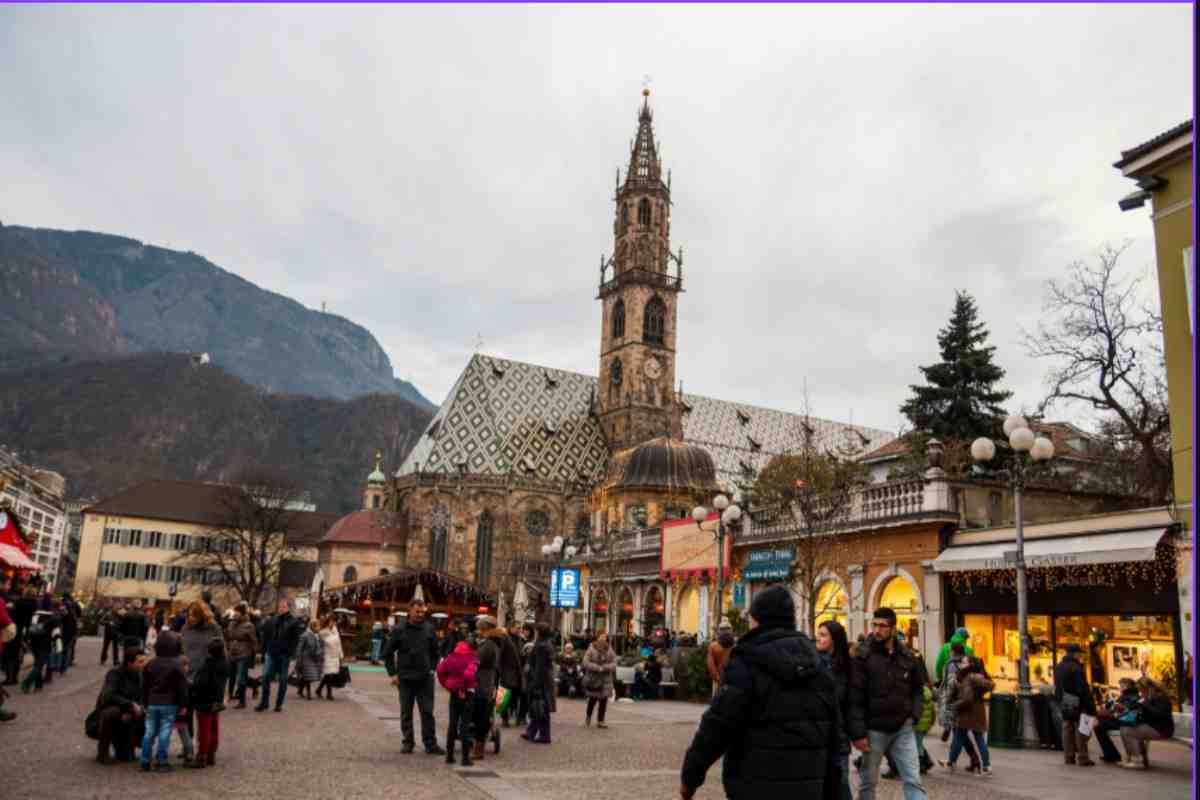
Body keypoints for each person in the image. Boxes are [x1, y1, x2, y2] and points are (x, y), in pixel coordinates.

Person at [679, 585, 842, 799]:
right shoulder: (817, 665)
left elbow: (716, 727)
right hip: (808, 788)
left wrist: (690, 778)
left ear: (757, 620)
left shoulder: (746, 663)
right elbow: (834, 737)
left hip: (754, 785)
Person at [849, 607, 928, 800]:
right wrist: (858, 733)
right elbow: (855, 696)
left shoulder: (907, 655)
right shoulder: (863, 656)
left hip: (903, 728)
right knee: (868, 783)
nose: (877, 630)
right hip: (874, 729)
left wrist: (914, 715)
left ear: (893, 628)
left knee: (913, 780)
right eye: (874, 625)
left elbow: (918, 689)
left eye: (882, 626)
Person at [381, 601, 445, 755]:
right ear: (409, 611)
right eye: (417, 611)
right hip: (405, 678)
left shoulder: (429, 628)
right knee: (406, 712)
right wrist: (393, 673)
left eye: (422, 612)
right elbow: (387, 653)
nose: (420, 614)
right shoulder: (399, 629)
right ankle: (408, 742)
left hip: (425, 678)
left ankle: (430, 743)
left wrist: (432, 669)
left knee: (428, 712)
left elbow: (436, 652)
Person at [816, 619, 853, 800]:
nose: (818, 639)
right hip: (817, 736)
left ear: (835, 639)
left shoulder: (847, 667)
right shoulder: (813, 664)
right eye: (818, 634)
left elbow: (851, 704)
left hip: (839, 738)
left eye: (823, 635)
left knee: (841, 784)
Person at [141, 631, 188, 772]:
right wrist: (183, 704)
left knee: (149, 732)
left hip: (152, 702)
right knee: (165, 732)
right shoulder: (177, 665)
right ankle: (162, 761)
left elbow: (144, 686)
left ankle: (145, 760)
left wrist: (144, 701)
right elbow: (182, 687)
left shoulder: (150, 664)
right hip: (170, 702)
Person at [93, 647, 147, 764]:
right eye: (140, 662)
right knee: (110, 714)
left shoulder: (140, 675)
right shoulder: (114, 674)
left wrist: (139, 707)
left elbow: (142, 696)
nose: (143, 664)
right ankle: (102, 752)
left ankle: (129, 746)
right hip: (111, 709)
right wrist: (129, 706)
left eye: (144, 661)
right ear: (129, 663)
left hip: (130, 711)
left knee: (149, 713)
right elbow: (108, 696)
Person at [947, 656, 994, 776]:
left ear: (970, 664)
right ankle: (987, 766)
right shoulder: (976, 676)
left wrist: (955, 705)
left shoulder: (970, 677)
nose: (961, 664)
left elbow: (967, 698)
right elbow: (989, 685)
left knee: (960, 737)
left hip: (968, 712)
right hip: (976, 711)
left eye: (964, 662)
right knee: (977, 739)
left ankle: (951, 762)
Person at [436, 635, 479, 765]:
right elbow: (469, 674)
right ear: (472, 649)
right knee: (464, 726)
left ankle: (449, 755)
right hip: (467, 693)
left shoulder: (451, 657)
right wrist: (463, 687)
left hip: (454, 693)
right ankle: (465, 758)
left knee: (452, 724)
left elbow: (440, 670)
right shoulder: (473, 659)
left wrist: (446, 684)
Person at [1054, 643, 1097, 767]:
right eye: (1079, 653)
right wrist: (1091, 708)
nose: (1081, 655)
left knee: (1067, 727)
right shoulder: (1077, 668)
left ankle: (1068, 756)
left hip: (1064, 699)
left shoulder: (1059, 666)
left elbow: (1057, 686)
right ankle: (1083, 757)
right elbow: (1082, 689)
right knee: (1082, 728)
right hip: (1077, 700)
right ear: (1076, 654)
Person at [256, 599, 302, 713]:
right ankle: (264, 702)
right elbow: (265, 635)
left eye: (284, 607)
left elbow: (296, 640)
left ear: (288, 608)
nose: (281, 608)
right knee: (266, 676)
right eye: (280, 606)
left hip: (284, 655)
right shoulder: (273, 619)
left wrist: (290, 652)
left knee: (282, 680)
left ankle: (278, 704)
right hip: (271, 652)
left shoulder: (293, 621)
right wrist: (263, 650)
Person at [1119, 677, 1175, 769]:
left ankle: (1137, 761)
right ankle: (1141, 760)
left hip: (1162, 729)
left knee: (1127, 731)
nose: (1140, 692)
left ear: (1147, 688)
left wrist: (1144, 705)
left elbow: (1159, 714)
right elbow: (1147, 713)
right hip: (1153, 726)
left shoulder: (1161, 697)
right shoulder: (1148, 696)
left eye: (1141, 689)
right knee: (1126, 728)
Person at [190, 636, 228, 768]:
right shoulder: (224, 663)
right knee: (213, 727)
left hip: (204, 700)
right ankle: (211, 754)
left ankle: (202, 756)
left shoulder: (208, 665)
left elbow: (201, 683)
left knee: (204, 729)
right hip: (216, 700)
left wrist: (193, 687)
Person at [472, 615, 503, 762]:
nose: (477, 631)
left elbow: (476, 661)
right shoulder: (492, 643)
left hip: (482, 685)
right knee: (482, 716)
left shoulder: (489, 645)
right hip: (487, 683)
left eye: (479, 629)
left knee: (481, 717)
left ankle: (478, 748)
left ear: (485, 629)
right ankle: (478, 745)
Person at [522, 623, 556, 744]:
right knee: (540, 707)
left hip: (541, 681)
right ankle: (532, 731)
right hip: (545, 680)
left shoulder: (542, 645)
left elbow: (540, 668)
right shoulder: (546, 643)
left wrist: (536, 684)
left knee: (540, 707)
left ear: (539, 632)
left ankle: (544, 735)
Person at [1095, 678, 1140, 763]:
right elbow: (1116, 705)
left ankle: (1112, 755)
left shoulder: (1132, 695)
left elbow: (1123, 709)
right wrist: (1110, 705)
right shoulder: (1127, 694)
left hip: (1125, 721)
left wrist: (1113, 707)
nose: (1120, 688)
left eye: (1122, 686)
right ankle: (1111, 755)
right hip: (1121, 719)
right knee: (1098, 725)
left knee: (1098, 727)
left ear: (1127, 686)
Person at [225, 603, 257, 708]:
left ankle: (242, 701)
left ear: (242, 614)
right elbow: (228, 637)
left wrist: (254, 654)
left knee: (241, 678)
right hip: (232, 653)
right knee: (231, 676)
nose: (235, 614)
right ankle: (229, 695)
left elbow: (254, 641)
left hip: (244, 654)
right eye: (234, 612)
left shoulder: (249, 625)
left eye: (237, 612)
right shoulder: (231, 624)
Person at [582, 632, 616, 728]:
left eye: (605, 637)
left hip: (605, 679)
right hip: (594, 678)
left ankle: (600, 720)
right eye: (601, 637)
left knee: (604, 700)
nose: (603, 639)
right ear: (597, 638)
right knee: (592, 699)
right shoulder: (591, 648)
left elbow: (614, 663)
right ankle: (588, 716)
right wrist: (596, 667)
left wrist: (605, 667)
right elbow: (585, 662)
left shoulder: (610, 649)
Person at [20, 608, 56, 692]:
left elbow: (27, 630)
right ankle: (27, 683)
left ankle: (38, 686)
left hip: (34, 644)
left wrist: (26, 641)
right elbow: (55, 633)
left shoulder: (34, 617)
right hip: (45, 645)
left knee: (38, 664)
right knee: (39, 666)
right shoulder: (51, 619)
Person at [504, 622, 528, 727]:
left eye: (520, 628)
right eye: (517, 628)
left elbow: (522, 652)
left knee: (516, 694)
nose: (519, 630)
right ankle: (504, 718)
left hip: (518, 672)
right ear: (511, 628)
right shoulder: (505, 638)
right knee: (504, 695)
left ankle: (514, 713)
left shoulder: (520, 640)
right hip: (507, 670)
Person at [316, 615, 345, 700]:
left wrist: (341, 655)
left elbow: (339, 643)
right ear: (327, 622)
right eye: (331, 621)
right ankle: (329, 693)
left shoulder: (335, 629)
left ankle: (319, 689)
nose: (333, 623)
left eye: (334, 621)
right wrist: (331, 636)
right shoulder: (322, 632)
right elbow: (327, 642)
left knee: (330, 674)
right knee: (329, 674)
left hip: (335, 655)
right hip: (327, 654)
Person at [295, 617, 324, 700]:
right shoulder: (305, 635)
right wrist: (299, 658)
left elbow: (321, 645)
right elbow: (299, 648)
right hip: (305, 658)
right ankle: (308, 693)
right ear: (312, 626)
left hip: (314, 657)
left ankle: (300, 690)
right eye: (317, 626)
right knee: (308, 676)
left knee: (308, 676)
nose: (319, 628)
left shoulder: (318, 635)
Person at [706, 620, 735, 697]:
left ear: (719, 631)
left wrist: (718, 679)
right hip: (734, 681)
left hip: (718, 680)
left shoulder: (713, 646)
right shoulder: (737, 645)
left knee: (717, 703)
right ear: (731, 630)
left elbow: (711, 666)